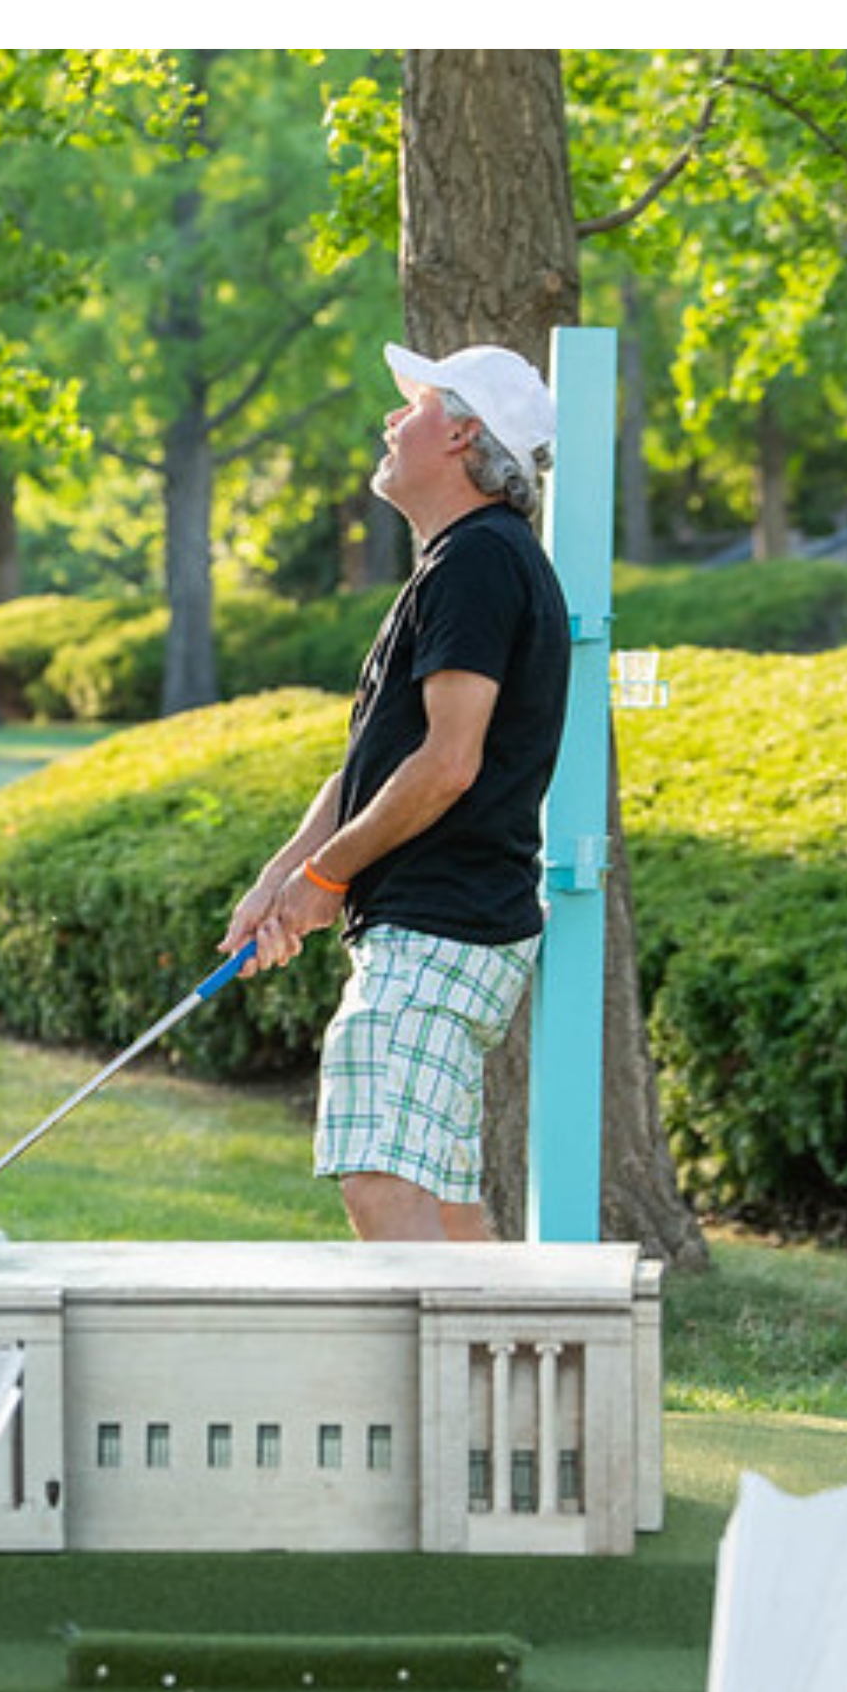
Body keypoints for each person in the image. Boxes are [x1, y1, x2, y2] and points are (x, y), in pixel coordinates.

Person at [223, 341, 571, 1242]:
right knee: (447, 1208)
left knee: (379, 1174)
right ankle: (507, 1386)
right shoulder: (456, 563)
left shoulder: (480, 562)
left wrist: (325, 882)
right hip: (437, 926)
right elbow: (375, 765)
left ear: (462, 435)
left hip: (441, 926)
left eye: (412, 406)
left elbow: (449, 764)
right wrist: (280, 878)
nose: (391, 420)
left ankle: (432, 1390)